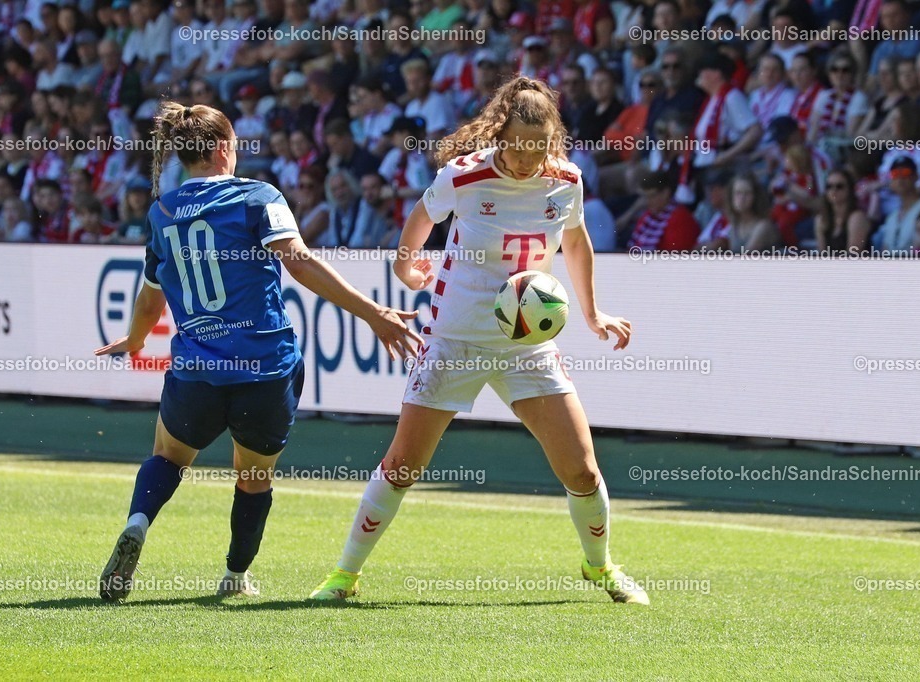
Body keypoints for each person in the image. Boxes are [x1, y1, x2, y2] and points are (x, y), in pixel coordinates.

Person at [309, 76, 649, 606]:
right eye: (518, 147)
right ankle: (344, 574)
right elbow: (421, 217)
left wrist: (592, 312)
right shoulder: (464, 175)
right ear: (500, 134)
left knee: (582, 470)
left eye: (539, 148)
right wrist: (404, 267)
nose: (527, 159)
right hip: (455, 339)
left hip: (526, 346)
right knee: (403, 466)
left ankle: (600, 566)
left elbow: (577, 242)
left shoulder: (566, 180)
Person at [97, 101, 422, 602]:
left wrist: (136, 340)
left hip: (197, 371)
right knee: (253, 478)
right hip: (266, 370)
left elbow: (149, 298)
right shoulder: (256, 196)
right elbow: (299, 262)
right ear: (223, 148)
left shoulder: (162, 214)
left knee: (168, 456)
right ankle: (234, 576)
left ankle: (138, 521)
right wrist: (373, 312)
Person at [814, 168, 870, 254]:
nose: (833, 190)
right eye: (829, 186)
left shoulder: (857, 218)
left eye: (839, 186)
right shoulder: (821, 219)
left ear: (849, 189)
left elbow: (853, 255)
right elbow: (822, 254)